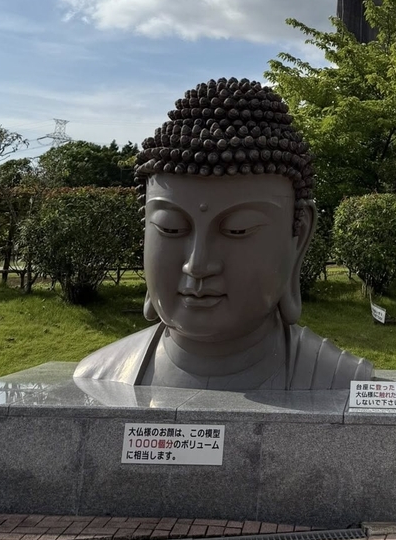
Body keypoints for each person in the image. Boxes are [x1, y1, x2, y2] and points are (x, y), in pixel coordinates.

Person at [73, 78, 372, 391]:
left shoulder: (339, 382)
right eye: (170, 228)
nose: (198, 265)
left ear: (298, 239)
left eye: (238, 229)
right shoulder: (101, 378)